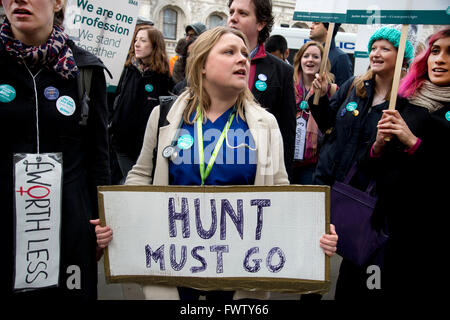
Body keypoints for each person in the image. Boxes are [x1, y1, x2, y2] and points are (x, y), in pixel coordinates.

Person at [92, 26, 338, 301]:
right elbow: (140, 175)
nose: (243, 59)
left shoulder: (265, 125)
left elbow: (280, 193)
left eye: (244, 53)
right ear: (203, 64)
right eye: (229, 52)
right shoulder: (163, 116)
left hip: (239, 270)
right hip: (175, 265)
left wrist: (314, 229)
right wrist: (115, 217)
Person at [0, 0, 110, 300]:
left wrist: (102, 217)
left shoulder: (85, 69)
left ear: (58, 2)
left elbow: (98, 156)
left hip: (69, 233)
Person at [310, 27, 415, 299]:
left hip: (364, 194)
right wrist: (318, 99)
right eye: (373, 47)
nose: (375, 54)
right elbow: (328, 124)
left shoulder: (408, 101)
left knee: (357, 259)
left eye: (385, 49)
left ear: (402, 56)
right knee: (315, 252)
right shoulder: (355, 86)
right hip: (331, 182)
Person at [354, 27, 449, 299]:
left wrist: (414, 143)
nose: (439, 59)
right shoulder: (405, 101)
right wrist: (378, 146)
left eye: (449, 53)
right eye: (435, 51)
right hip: (382, 227)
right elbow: (368, 167)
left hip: (425, 237)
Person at [227, 0, 297, 182]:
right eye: (231, 11)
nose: (233, 18)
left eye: (242, 13)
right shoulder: (211, 62)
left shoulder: (282, 72)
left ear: (261, 23)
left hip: (259, 172)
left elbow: (286, 134)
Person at [109, 25, 174, 183]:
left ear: (154, 45)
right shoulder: (127, 70)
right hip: (122, 144)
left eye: (143, 40)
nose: (137, 44)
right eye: (136, 40)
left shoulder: (163, 78)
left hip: (147, 148)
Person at [292, 41, 337, 185]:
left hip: (313, 163)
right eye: (306, 56)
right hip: (286, 159)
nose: (310, 60)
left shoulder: (332, 90)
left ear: (323, 62)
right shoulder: (287, 86)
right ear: (300, 60)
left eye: (316, 57)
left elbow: (332, 126)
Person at [309, 22, 353, 87]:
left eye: (316, 23)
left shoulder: (341, 58)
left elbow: (344, 91)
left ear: (329, 28)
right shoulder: (309, 53)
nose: (311, 26)